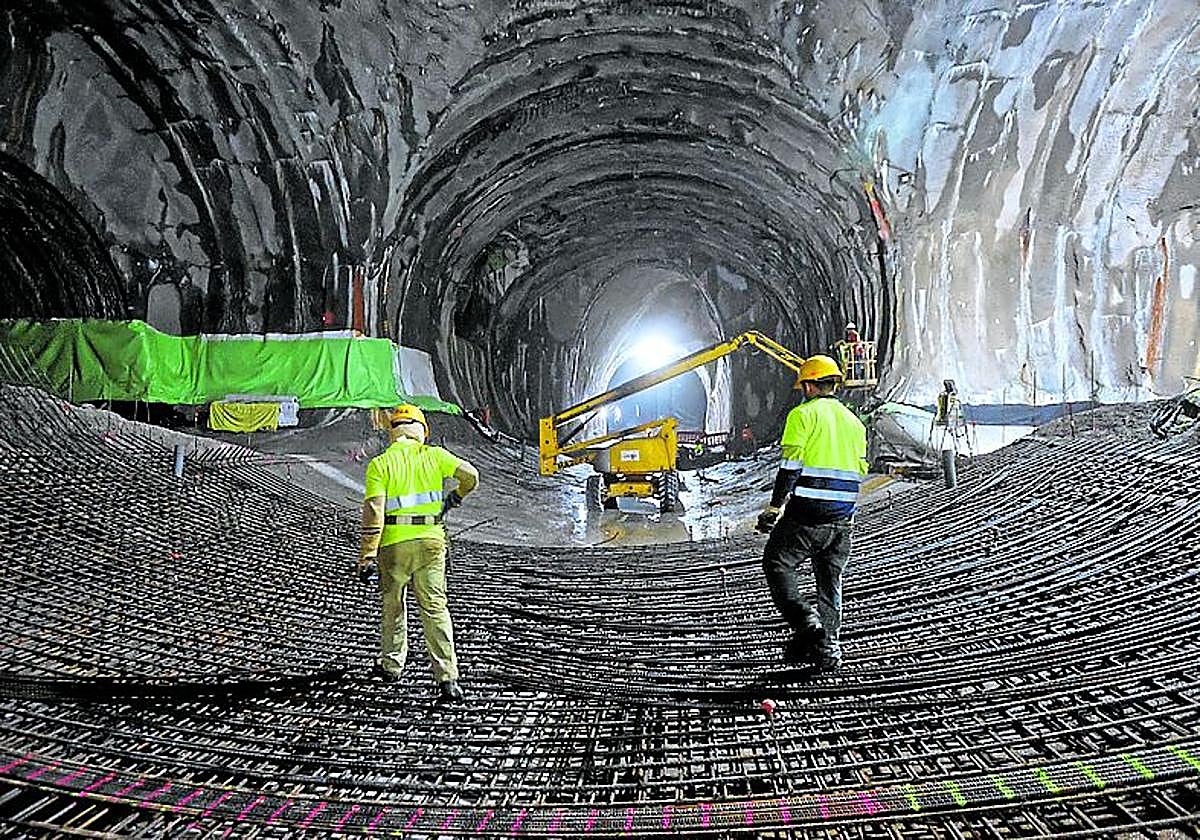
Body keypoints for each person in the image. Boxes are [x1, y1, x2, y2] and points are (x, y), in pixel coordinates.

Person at [357, 404, 479, 701]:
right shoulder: (435, 456)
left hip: (393, 547)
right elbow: (471, 476)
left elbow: (375, 512)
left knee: (393, 607)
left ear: (392, 431)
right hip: (431, 544)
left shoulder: (380, 464)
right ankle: (448, 678)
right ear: (422, 431)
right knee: (435, 608)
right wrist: (455, 498)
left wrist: (367, 556)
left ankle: (391, 666)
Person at [755, 355, 867, 672]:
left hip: (809, 512)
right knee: (830, 581)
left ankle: (807, 623)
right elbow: (860, 468)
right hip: (843, 516)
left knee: (777, 561)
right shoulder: (854, 422)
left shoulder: (802, 415)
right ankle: (828, 650)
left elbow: (790, 467)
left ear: (808, 385)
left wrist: (774, 508)